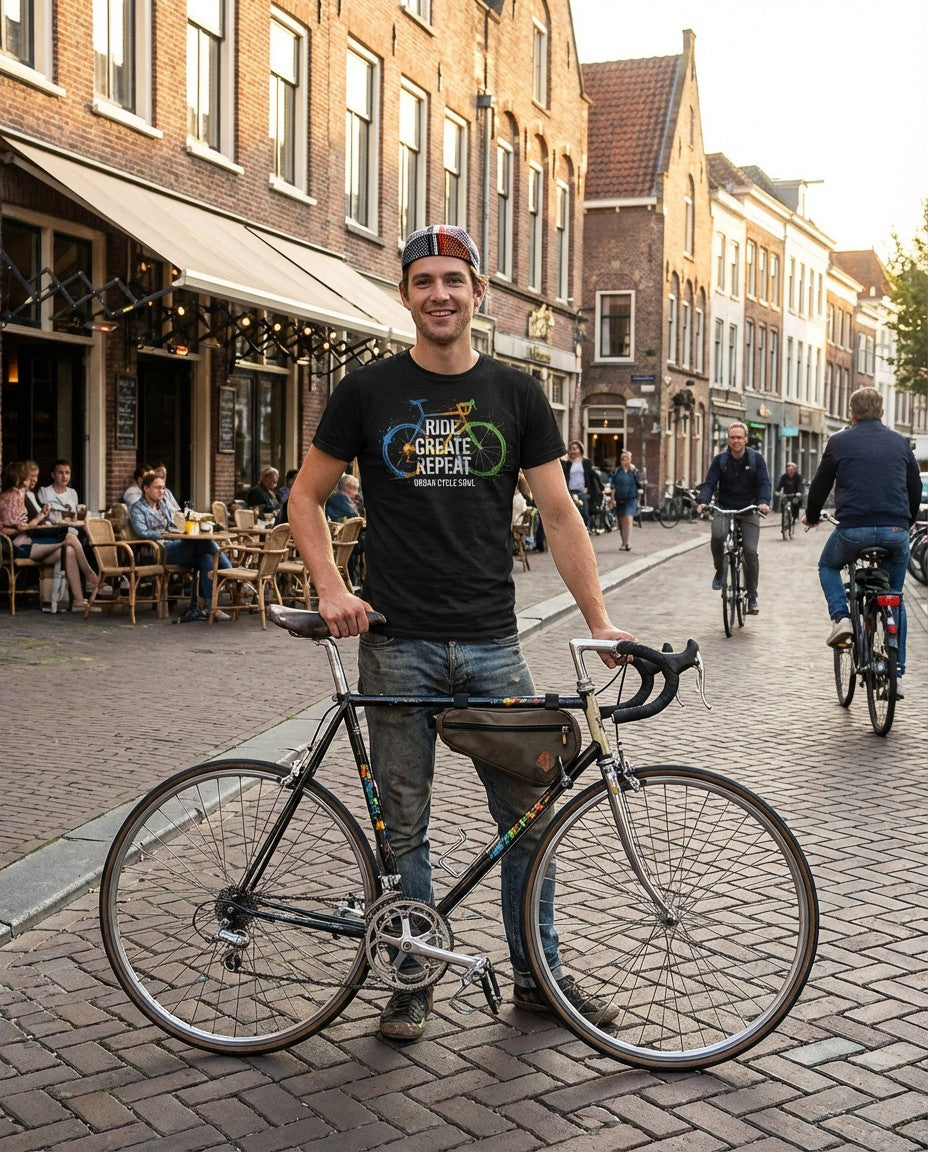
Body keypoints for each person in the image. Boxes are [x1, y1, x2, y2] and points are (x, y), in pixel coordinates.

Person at [288, 223, 632, 1043]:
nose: (439, 293)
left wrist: (600, 622)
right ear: (405, 295)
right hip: (397, 642)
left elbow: (558, 512)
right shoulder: (366, 392)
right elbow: (305, 498)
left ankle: (537, 980)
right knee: (403, 827)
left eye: (453, 279)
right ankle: (411, 976)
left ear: (479, 292)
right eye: (422, 281)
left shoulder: (516, 394)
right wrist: (333, 588)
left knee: (529, 821)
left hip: (491, 643)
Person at [804, 386, 920, 677]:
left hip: (853, 531)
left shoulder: (839, 441)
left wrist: (812, 516)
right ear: (882, 413)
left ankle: (842, 617)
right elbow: (915, 487)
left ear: (851, 414)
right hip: (896, 531)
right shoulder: (900, 442)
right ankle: (898, 670)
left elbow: (820, 485)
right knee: (895, 596)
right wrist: (908, 521)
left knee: (827, 565)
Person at [0, 460, 102, 612]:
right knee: (69, 537)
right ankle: (90, 576)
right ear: (21, 478)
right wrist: (32, 525)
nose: (33, 480)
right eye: (30, 476)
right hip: (22, 546)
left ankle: (79, 602)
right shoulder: (14, 496)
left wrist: (41, 515)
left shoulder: (18, 495)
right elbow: (19, 527)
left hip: (28, 543)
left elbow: (24, 524)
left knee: (69, 550)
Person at [129, 471, 232, 619]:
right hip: (158, 550)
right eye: (157, 488)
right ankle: (230, 573)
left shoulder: (162, 505)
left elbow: (174, 525)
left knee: (206, 559)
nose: (161, 491)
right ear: (146, 488)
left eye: (163, 488)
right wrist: (165, 534)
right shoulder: (137, 508)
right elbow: (142, 532)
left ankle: (211, 607)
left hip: (175, 545)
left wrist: (181, 530)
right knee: (207, 542)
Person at [696, 422, 771, 614]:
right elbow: (710, 482)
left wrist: (763, 502)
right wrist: (703, 500)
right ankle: (720, 570)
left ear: (746, 439)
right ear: (728, 440)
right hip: (725, 507)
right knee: (717, 536)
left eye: (739, 437)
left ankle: (752, 595)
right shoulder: (720, 460)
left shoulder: (756, 459)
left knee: (750, 551)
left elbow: (764, 482)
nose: (736, 441)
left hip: (749, 509)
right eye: (732, 437)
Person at [560, 440, 601, 529]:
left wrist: (588, 488)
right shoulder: (567, 464)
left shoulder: (586, 462)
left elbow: (591, 476)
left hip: (582, 491)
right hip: (570, 492)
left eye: (575, 449)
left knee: (584, 513)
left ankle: (586, 531)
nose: (573, 451)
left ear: (580, 449)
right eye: (571, 449)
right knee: (571, 514)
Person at [610, 450, 643, 551]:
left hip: (631, 498)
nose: (625, 461)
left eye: (627, 458)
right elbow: (613, 486)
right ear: (620, 461)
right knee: (621, 522)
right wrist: (612, 499)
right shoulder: (617, 471)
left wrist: (638, 501)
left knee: (628, 518)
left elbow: (639, 486)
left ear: (630, 459)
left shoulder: (634, 471)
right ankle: (623, 542)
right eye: (623, 459)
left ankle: (628, 542)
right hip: (620, 498)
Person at [37, 459, 85, 524]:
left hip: (71, 529)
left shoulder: (73, 492)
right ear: (53, 475)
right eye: (60, 472)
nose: (64, 476)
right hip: (52, 530)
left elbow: (75, 516)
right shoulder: (44, 492)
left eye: (67, 473)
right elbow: (41, 517)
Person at [775, 461, 804, 528]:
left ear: (794, 470)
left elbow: (800, 485)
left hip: (795, 495)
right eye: (788, 470)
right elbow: (780, 485)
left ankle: (794, 518)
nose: (790, 471)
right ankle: (784, 517)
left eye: (791, 470)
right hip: (786, 495)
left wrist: (799, 492)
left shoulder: (798, 477)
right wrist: (777, 491)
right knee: (783, 504)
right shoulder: (784, 476)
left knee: (795, 503)